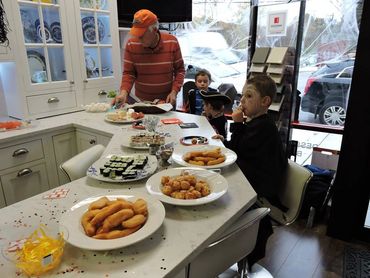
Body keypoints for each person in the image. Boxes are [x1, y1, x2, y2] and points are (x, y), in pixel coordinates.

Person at [213, 74, 288, 269]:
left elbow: (239, 152)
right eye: (242, 95)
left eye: (248, 96)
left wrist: (237, 125)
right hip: (252, 179)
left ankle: (224, 247)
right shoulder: (256, 123)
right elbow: (242, 148)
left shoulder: (264, 128)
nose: (242, 101)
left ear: (265, 102)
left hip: (260, 190)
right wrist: (225, 140)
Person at [113, 9, 185, 107]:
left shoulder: (172, 42)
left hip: (166, 103)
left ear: (154, 30)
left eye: (142, 35)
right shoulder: (131, 44)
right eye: (136, 33)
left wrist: (174, 92)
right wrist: (123, 93)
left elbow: (180, 70)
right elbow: (129, 73)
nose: (138, 38)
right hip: (142, 103)